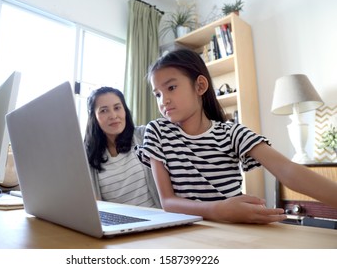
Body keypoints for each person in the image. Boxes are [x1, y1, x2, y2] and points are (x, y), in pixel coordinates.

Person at [135, 48, 337, 224]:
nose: (164, 101)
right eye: (158, 94)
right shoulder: (157, 132)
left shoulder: (231, 132)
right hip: (189, 233)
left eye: (171, 88)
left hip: (235, 231)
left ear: (200, 86)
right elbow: (167, 202)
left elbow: (287, 170)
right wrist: (218, 210)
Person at [84, 86, 161, 208]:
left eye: (117, 108)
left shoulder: (145, 135)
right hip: (118, 225)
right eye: (104, 110)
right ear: (93, 117)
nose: (113, 115)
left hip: (157, 219)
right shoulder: (87, 156)